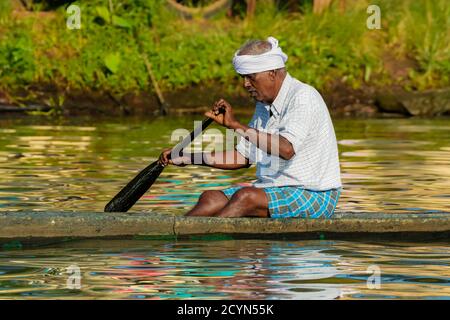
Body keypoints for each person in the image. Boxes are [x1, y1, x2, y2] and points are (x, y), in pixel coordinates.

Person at [159, 36, 342, 218]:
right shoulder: (263, 105)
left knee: (245, 197)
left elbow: (286, 149)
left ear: (272, 72)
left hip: (315, 194)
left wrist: (235, 125)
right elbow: (243, 157)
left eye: (250, 77)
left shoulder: (303, 97)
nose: (245, 84)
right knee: (211, 198)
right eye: (243, 77)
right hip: (271, 189)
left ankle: (206, 241)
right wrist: (188, 157)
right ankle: (181, 236)